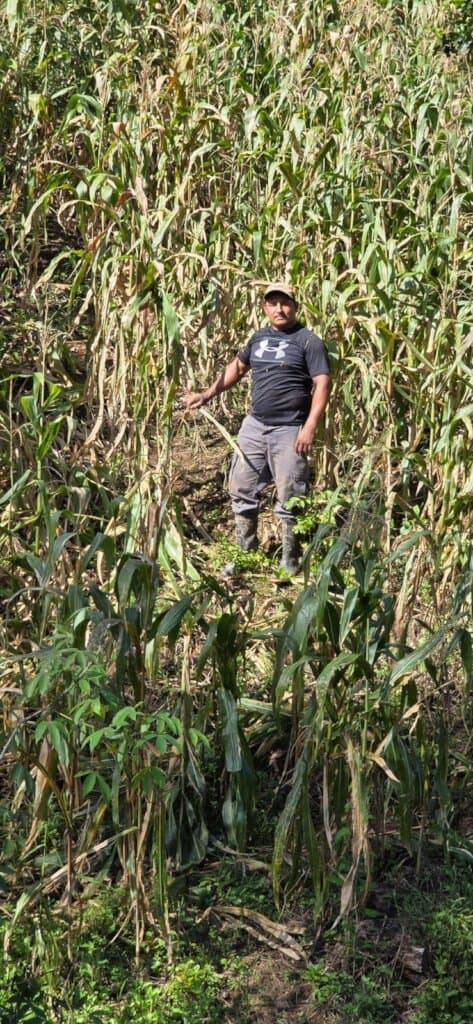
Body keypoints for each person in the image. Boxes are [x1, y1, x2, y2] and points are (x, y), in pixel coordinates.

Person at [183, 282, 331, 574]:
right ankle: (245, 553)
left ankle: (290, 559)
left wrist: (310, 425)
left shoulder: (307, 341)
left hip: (289, 429)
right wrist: (206, 394)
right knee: (241, 486)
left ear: (295, 306)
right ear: (265, 308)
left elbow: (322, 383)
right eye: (273, 303)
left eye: (285, 303)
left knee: (291, 493)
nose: (280, 309)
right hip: (255, 425)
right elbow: (237, 368)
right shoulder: (258, 338)